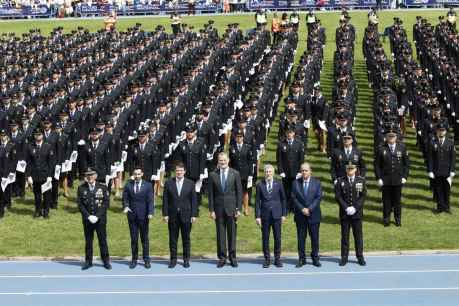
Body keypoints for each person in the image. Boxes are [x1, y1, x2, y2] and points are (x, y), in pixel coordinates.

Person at [208, 152, 243, 268]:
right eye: (220, 160)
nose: (222, 162)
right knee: (220, 234)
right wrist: (211, 210)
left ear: (228, 161)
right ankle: (222, 258)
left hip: (232, 209)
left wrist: (238, 208)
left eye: (224, 160)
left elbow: (239, 193)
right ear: (218, 161)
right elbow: (211, 194)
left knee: (232, 234)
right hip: (218, 209)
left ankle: (233, 257)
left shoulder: (235, 173)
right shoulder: (213, 175)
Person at [162, 162, 198, 268]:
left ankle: (186, 259)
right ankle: (173, 259)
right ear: (175, 171)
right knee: (173, 239)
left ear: (184, 172)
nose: (179, 172)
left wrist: (194, 215)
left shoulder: (190, 183)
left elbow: (194, 201)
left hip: (186, 215)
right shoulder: (169, 183)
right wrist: (165, 214)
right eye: (177, 170)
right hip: (172, 215)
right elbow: (165, 200)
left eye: (181, 171)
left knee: (186, 239)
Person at [77, 168, 111, 270]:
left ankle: (106, 261)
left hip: (100, 220)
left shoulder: (103, 187)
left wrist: (97, 216)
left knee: (102, 241)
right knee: (88, 241)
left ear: (95, 176)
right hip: (88, 220)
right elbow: (80, 205)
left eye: (91, 175)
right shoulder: (81, 188)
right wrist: (88, 216)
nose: (89, 177)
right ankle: (88, 261)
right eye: (88, 175)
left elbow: (106, 203)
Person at [374, 130, 410, 227]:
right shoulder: (381, 148)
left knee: (397, 201)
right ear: (386, 137)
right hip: (385, 179)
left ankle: (398, 219)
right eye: (389, 136)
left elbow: (406, 164)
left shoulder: (402, 148)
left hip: (398, 179)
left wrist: (405, 177)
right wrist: (379, 178)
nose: (391, 138)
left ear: (396, 137)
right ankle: (386, 219)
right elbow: (377, 165)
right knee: (386, 200)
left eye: (393, 136)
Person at [334, 162, 366, 266]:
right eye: (348, 168)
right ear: (346, 169)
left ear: (356, 169)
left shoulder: (361, 180)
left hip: (357, 214)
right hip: (345, 214)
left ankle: (360, 256)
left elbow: (363, 196)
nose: (350, 170)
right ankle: (344, 257)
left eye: (352, 168)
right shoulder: (340, 181)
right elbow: (338, 196)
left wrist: (355, 208)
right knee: (345, 237)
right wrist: (346, 207)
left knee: (358, 236)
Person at [255, 164, 287, 268]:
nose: (268, 173)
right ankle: (267, 259)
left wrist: (284, 214)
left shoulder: (279, 183)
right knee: (265, 238)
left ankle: (277, 259)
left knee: (277, 238)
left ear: (273, 173)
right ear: (264, 173)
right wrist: (257, 216)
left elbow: (283, 199)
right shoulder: (260, 184)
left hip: (277, 215)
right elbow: (257, 202)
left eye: (270, 171)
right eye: (266, 172)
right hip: (265, 216)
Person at [291, 163, 322, 268]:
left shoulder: (317, 183)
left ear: (310, 171)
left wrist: (309, 209)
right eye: (302, 170)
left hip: (314, 215)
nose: (304, 172)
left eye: (306, 170)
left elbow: (318, 197)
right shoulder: (295, 183)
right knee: (301, 239)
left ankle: (315, 258)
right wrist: (302, 209)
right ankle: (301, 259)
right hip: (300, 216)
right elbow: (294, 197)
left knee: (314, 238)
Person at [122, 167, 154, 269]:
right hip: (132, 216)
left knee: (144, 239)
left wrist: (150, 212)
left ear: (142, 174)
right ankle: (134, 259)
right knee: (134, 239)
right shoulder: (128, 184)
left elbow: (150, 200)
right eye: (135, 174)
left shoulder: (148, 185)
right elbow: (125, 198)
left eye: (139, 174)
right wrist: (126, 206)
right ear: (133, 175)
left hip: (144, 216)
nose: (137, 176)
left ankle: (146, 259)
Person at [25, 128, 55, 219]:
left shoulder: (48, 146)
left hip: (45, 175)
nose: (38, 136)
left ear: (42, 136)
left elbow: (51, 163)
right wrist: (28, 175)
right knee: (37, 195)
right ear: (34, 136)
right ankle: (38, 211)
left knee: (46, 195)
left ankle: (46, 211)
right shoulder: (30, 146)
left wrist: (50, 175)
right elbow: (28, 162)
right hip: (35, 175)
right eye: (36, 135)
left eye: (40, 134)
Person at [427, 123, 456, 213]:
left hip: (447, 170)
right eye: (440, 130)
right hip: (437, 170)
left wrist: (452, 170)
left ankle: (447, 207)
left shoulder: (450, 142)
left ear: (445, 131)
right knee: (438, 189)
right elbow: (430, 158)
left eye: (443, 130)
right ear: (437, 131)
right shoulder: (432, 142)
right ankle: (440, 207)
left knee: (447, 189)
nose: (441, 132)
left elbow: (453, 158)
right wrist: (430, 170)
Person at [0, 129, 16, 218]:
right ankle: (3, 204)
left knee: (8, 188)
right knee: (2, 189)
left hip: (8, 171)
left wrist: (12, 171)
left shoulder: (11, 146)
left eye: (4, 135)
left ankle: (8, 203)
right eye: (1, 135)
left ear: (7, 136)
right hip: (1, 172)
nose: (3, 137)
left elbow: (14, 160)